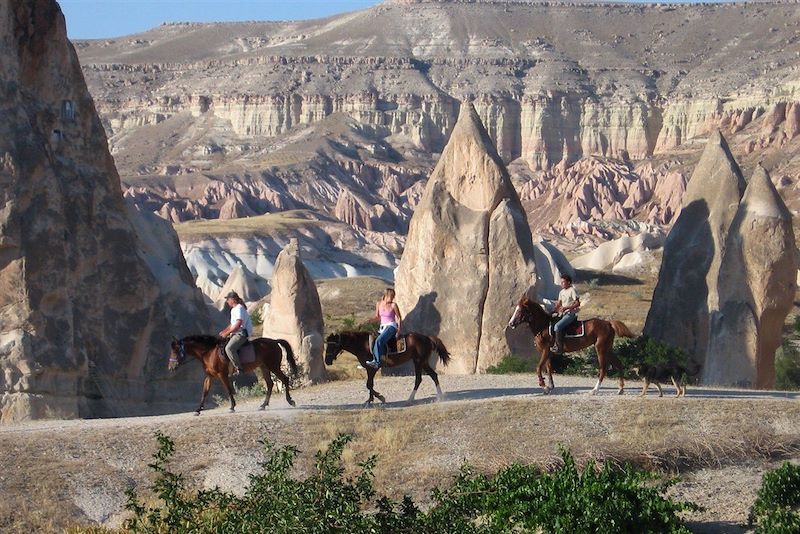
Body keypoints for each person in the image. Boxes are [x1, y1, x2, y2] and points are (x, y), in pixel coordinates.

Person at [218, 290, 253, 375]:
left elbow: (238, 324)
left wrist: (226, 333)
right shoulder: (234, 309)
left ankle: (239, 368)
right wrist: (224, 331)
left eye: (228, 299)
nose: (227, 301)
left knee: (229, 348)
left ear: (233, 299)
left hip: (241, 333)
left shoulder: (239, 308)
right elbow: (232, 325)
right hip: (236, 333)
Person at [366, 288, 402, 368]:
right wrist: (370, 320)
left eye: (393, 296)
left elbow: (399, 317)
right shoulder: (379, 304)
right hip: (382, 327)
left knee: (379, 340)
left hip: (391, 326)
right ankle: (375, 359)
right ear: (386, 296)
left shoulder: (393, 305)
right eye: (391, 296)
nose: (393, 298)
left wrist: (398, 329)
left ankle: (377, 362)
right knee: (373, 340)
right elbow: (378, 317)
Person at [551, 274, 580, 354]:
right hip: (562, 314)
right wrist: (554, 309)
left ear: (568, 282)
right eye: (561, 282)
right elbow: (559, 303)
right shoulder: (561, 292)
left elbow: (577, 303)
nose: (561, 284)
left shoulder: (572, 290)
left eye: (563, 282)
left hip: (570, 314)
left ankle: (559, 348)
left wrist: (566, 308)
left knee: (557, 326)